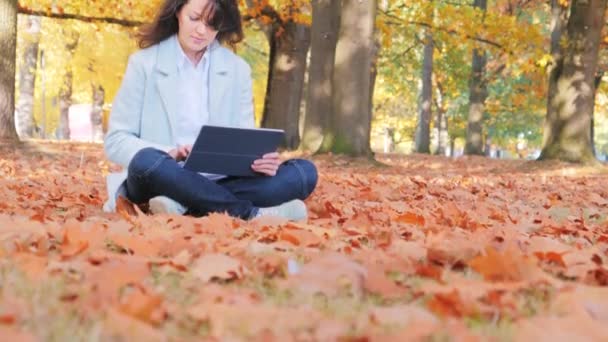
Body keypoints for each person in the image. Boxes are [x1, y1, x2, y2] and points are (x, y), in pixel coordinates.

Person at [102, 0, 318, 221]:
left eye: (212, 24)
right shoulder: (143, 64)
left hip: (221, 180)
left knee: (303, 173)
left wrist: (260, 162)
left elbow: (244, 142)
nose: (201, 31)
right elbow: (116, 141)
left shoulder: (238, 70)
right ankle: (251, 213)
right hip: (162, 175)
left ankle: (184, 204)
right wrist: (170, 152)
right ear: (177, 12)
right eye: (194, 19)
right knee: (146, 160)